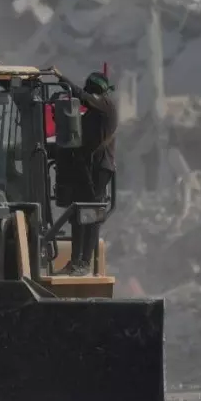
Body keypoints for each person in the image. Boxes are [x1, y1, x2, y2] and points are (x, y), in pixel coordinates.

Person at [53, 70, 117, 275]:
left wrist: (63, 79)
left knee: (91, 214)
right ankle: (75, 261)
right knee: (78, 214)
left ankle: (84, 262)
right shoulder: (96, 112)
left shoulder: (106, 105)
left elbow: (84, 97)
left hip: (98, 169)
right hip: (88, 168)